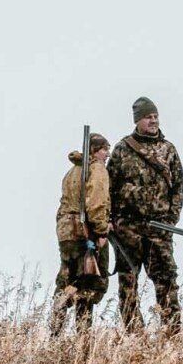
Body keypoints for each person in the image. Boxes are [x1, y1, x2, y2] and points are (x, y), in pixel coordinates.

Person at [107, 96, 183, 332]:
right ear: (138, 120)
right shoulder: (122, 149)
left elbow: (178, 187)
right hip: (128, 227)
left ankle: (172, 332)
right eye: (148, 117)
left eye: (155, 116)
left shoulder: (168, 150)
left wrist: (171, 218)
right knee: (128, 281)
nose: (153, 120)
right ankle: (134, 335)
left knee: (166, 281)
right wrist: (111, 220)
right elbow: (108, 186)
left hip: (159, 228)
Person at [51, 131, 111, 335]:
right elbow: (96, 204)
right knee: (88, 285)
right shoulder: (97, 170)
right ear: (96, 151)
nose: (107, 155)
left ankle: (55, 332)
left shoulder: (72, 172)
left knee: (67, 280)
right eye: (105, 150)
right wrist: (102, 231)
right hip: (86, 235)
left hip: (66, 232)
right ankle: (82, 340)